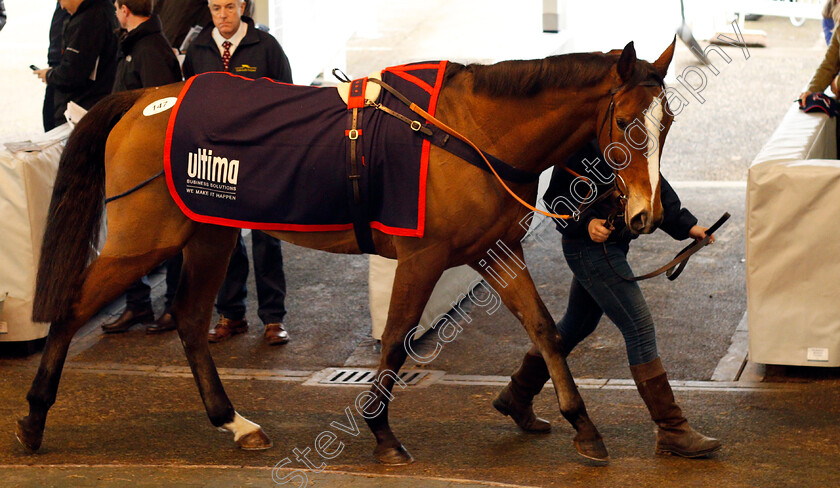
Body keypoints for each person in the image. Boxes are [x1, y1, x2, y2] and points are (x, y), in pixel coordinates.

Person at [493, 140, 722, 458]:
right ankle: (672, 429)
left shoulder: (628, 142)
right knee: (639, 328)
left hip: (613, 247)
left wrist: (687, 226)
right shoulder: (581, 146)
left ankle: (516, 395)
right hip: (590, 250)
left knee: (576, 325)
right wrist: (584, 224)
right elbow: (555, 199)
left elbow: (653, 181)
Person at [182, 0, 293, 346]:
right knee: (223, 238)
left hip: (260, 156)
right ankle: (231, 314)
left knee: (265, 236)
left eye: (229, 7)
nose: (223, 15)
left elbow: (288, 98)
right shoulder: (198, 48)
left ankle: (273, 319)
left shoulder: (266, 46)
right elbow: (188, 100)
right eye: (216, 8)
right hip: (218, 157)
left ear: (242, 6)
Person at [101, 0, 184, 334]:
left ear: (122, 9)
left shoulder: (148, 48)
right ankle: (138, 305)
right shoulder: (136, 43)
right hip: (136, 156)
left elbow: (158, 109)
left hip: (150, 162)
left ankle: (173, 307)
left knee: (165, 234)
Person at [33, 0, 118, 128]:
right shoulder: (97, 12)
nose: (61, 6)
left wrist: (51, 75)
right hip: (88, 100)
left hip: (82, 107)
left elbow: (73, 72)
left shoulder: (90, 20)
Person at [43, 4, 72, 132]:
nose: (62, 4)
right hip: (58, 63)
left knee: (57, 125)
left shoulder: (93, 12)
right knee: (50, 118)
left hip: (66, 69)